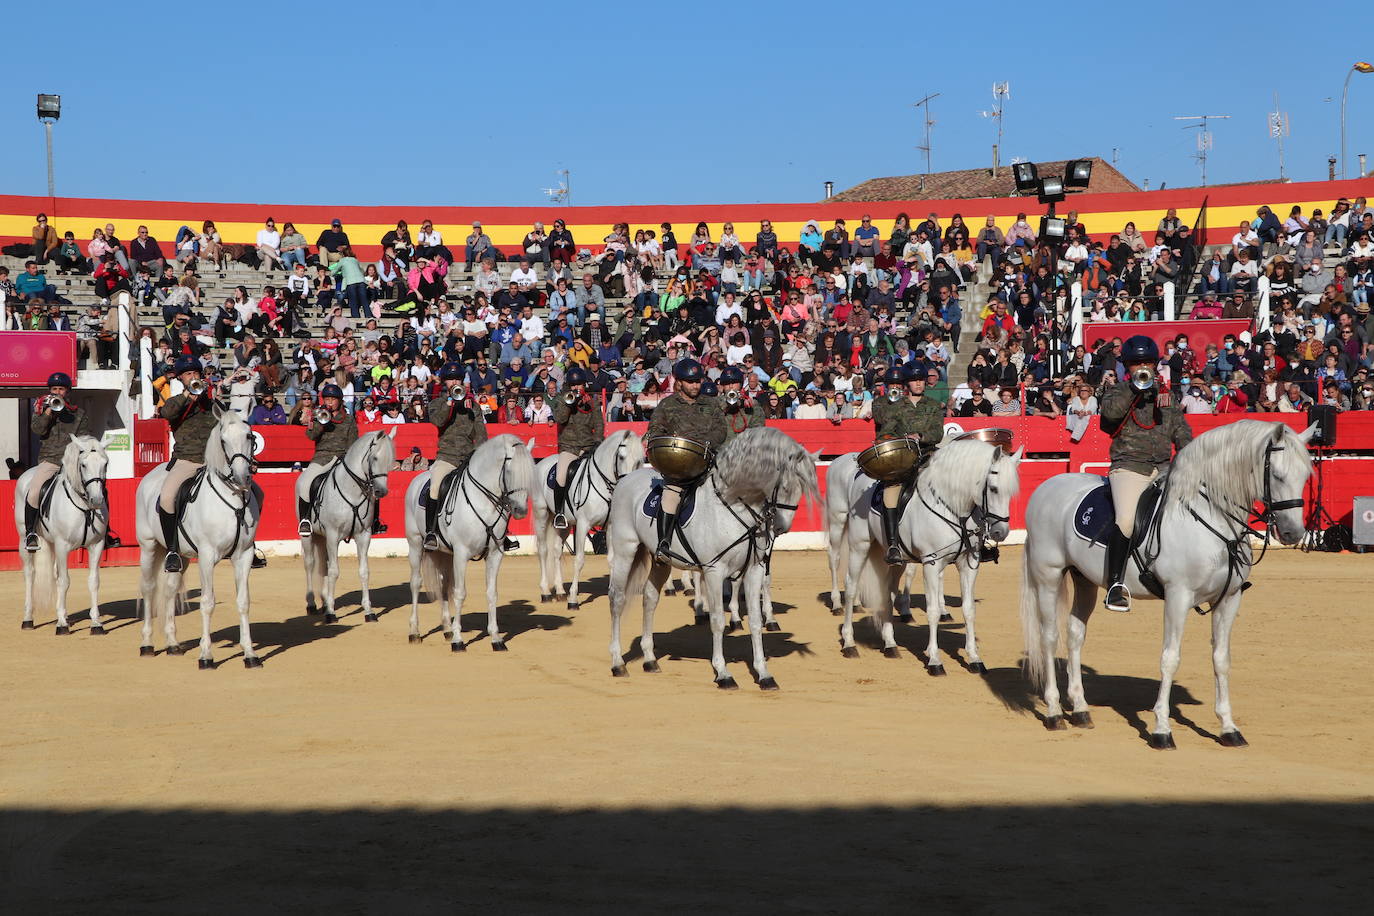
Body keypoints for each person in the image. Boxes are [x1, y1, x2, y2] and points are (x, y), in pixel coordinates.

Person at [1098, 335, 1193, 613]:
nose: (1143, 367)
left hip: (1164, 467)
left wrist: (1190, 456)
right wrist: (1135, 388)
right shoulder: (1116, 391)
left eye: (1148, 362)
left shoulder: (1167, 395)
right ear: (1127, 366)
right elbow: (1111, 416)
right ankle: (1115, 584)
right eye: (1137, 363)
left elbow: (1180, 428)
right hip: (1129, 466)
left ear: (1156, 364)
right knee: (1126, 521)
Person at [644, 359, 728, 563]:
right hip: (679, 467)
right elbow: (654, 430)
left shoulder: (710, 403)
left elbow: (721, 429)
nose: (695, 386)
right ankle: (663, 543)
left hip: (709, 464)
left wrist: (708, 442)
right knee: (670, 496)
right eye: (690, 381)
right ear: (679, 382)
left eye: (698, 381)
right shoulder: (667, 405)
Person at [869, 362, 945, 565]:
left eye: (921, 380)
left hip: (929, 459)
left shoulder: (933, 405)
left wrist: (920, 436)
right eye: (914, 380)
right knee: (891, 491)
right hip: (904, 461)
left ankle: (971, 538)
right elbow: (886, 431)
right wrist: (888, 439)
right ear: (907, 384)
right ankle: (893, 545)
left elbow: (938, 433)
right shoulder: (896, 407)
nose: (918, 383)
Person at [155, 357, 223, 573]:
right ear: (182, 379)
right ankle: (173, 550)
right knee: (166, 497)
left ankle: (247, 543)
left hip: (214, 463)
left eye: (195, 373)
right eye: (188, 374)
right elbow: (167, 414)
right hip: (187, 460)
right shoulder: (176, 401)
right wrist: (188, 395)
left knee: (251, 491)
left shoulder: (211, 404)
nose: (193, 377)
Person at [23, 373, 92, 552]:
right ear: (50, 391)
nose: (58, 392)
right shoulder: (40, 410)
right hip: (50, 459)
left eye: (61, 389)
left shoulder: (79, 413)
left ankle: (104, 531)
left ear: (67, 391)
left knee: (96, 486)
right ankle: (31, 533)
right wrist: (48, 412)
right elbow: (37, 429)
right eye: (54, 389)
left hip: (72, 462)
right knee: (34, 491)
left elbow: (84, 437)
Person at [423, 363, 488, 550]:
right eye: (451, 379)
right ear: (445, 382)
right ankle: (431, 532)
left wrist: (480, 457)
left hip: (469, 459)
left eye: (458, 379)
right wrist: (450, 403)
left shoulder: (472, 406)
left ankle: (498, 533)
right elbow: (437, 421)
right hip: (447, 457)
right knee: (435, 487)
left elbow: (481, 434)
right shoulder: (436, 403)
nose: (455, 382)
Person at [296, 383, 371, 536]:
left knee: (371, 484)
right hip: (322, 458)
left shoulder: (349, 419)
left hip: (343, 460)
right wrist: (322, 422)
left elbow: (353, 444)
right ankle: (305, 520)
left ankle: (373, 521)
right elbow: (311, 436)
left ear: (340, 400)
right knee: (304, 483)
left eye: (333, 399)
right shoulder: (317, 414)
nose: (329, 402)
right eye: (327, 399)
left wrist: (349, 461)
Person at [550, 367, 605, 529]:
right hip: (569, 446)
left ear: (584, 385)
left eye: (579, 385)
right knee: (561, 476)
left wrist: (597, 441)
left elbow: (599, 424)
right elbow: (560, 418)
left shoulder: (592, 401)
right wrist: (570, 403)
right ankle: (559, 513)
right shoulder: (562, 399)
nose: (576, 388)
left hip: (588, 447)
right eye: (573, 385)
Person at [716, 365, 766, 442]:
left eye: (734, 382)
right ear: (722, 386)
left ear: (741, 384)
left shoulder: (751, 403)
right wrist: (727, 405)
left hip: (743, 449)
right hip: (721, 449)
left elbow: (758, 432)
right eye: (727, 383)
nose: (731, 386)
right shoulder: (715, 403)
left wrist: (748, 407)